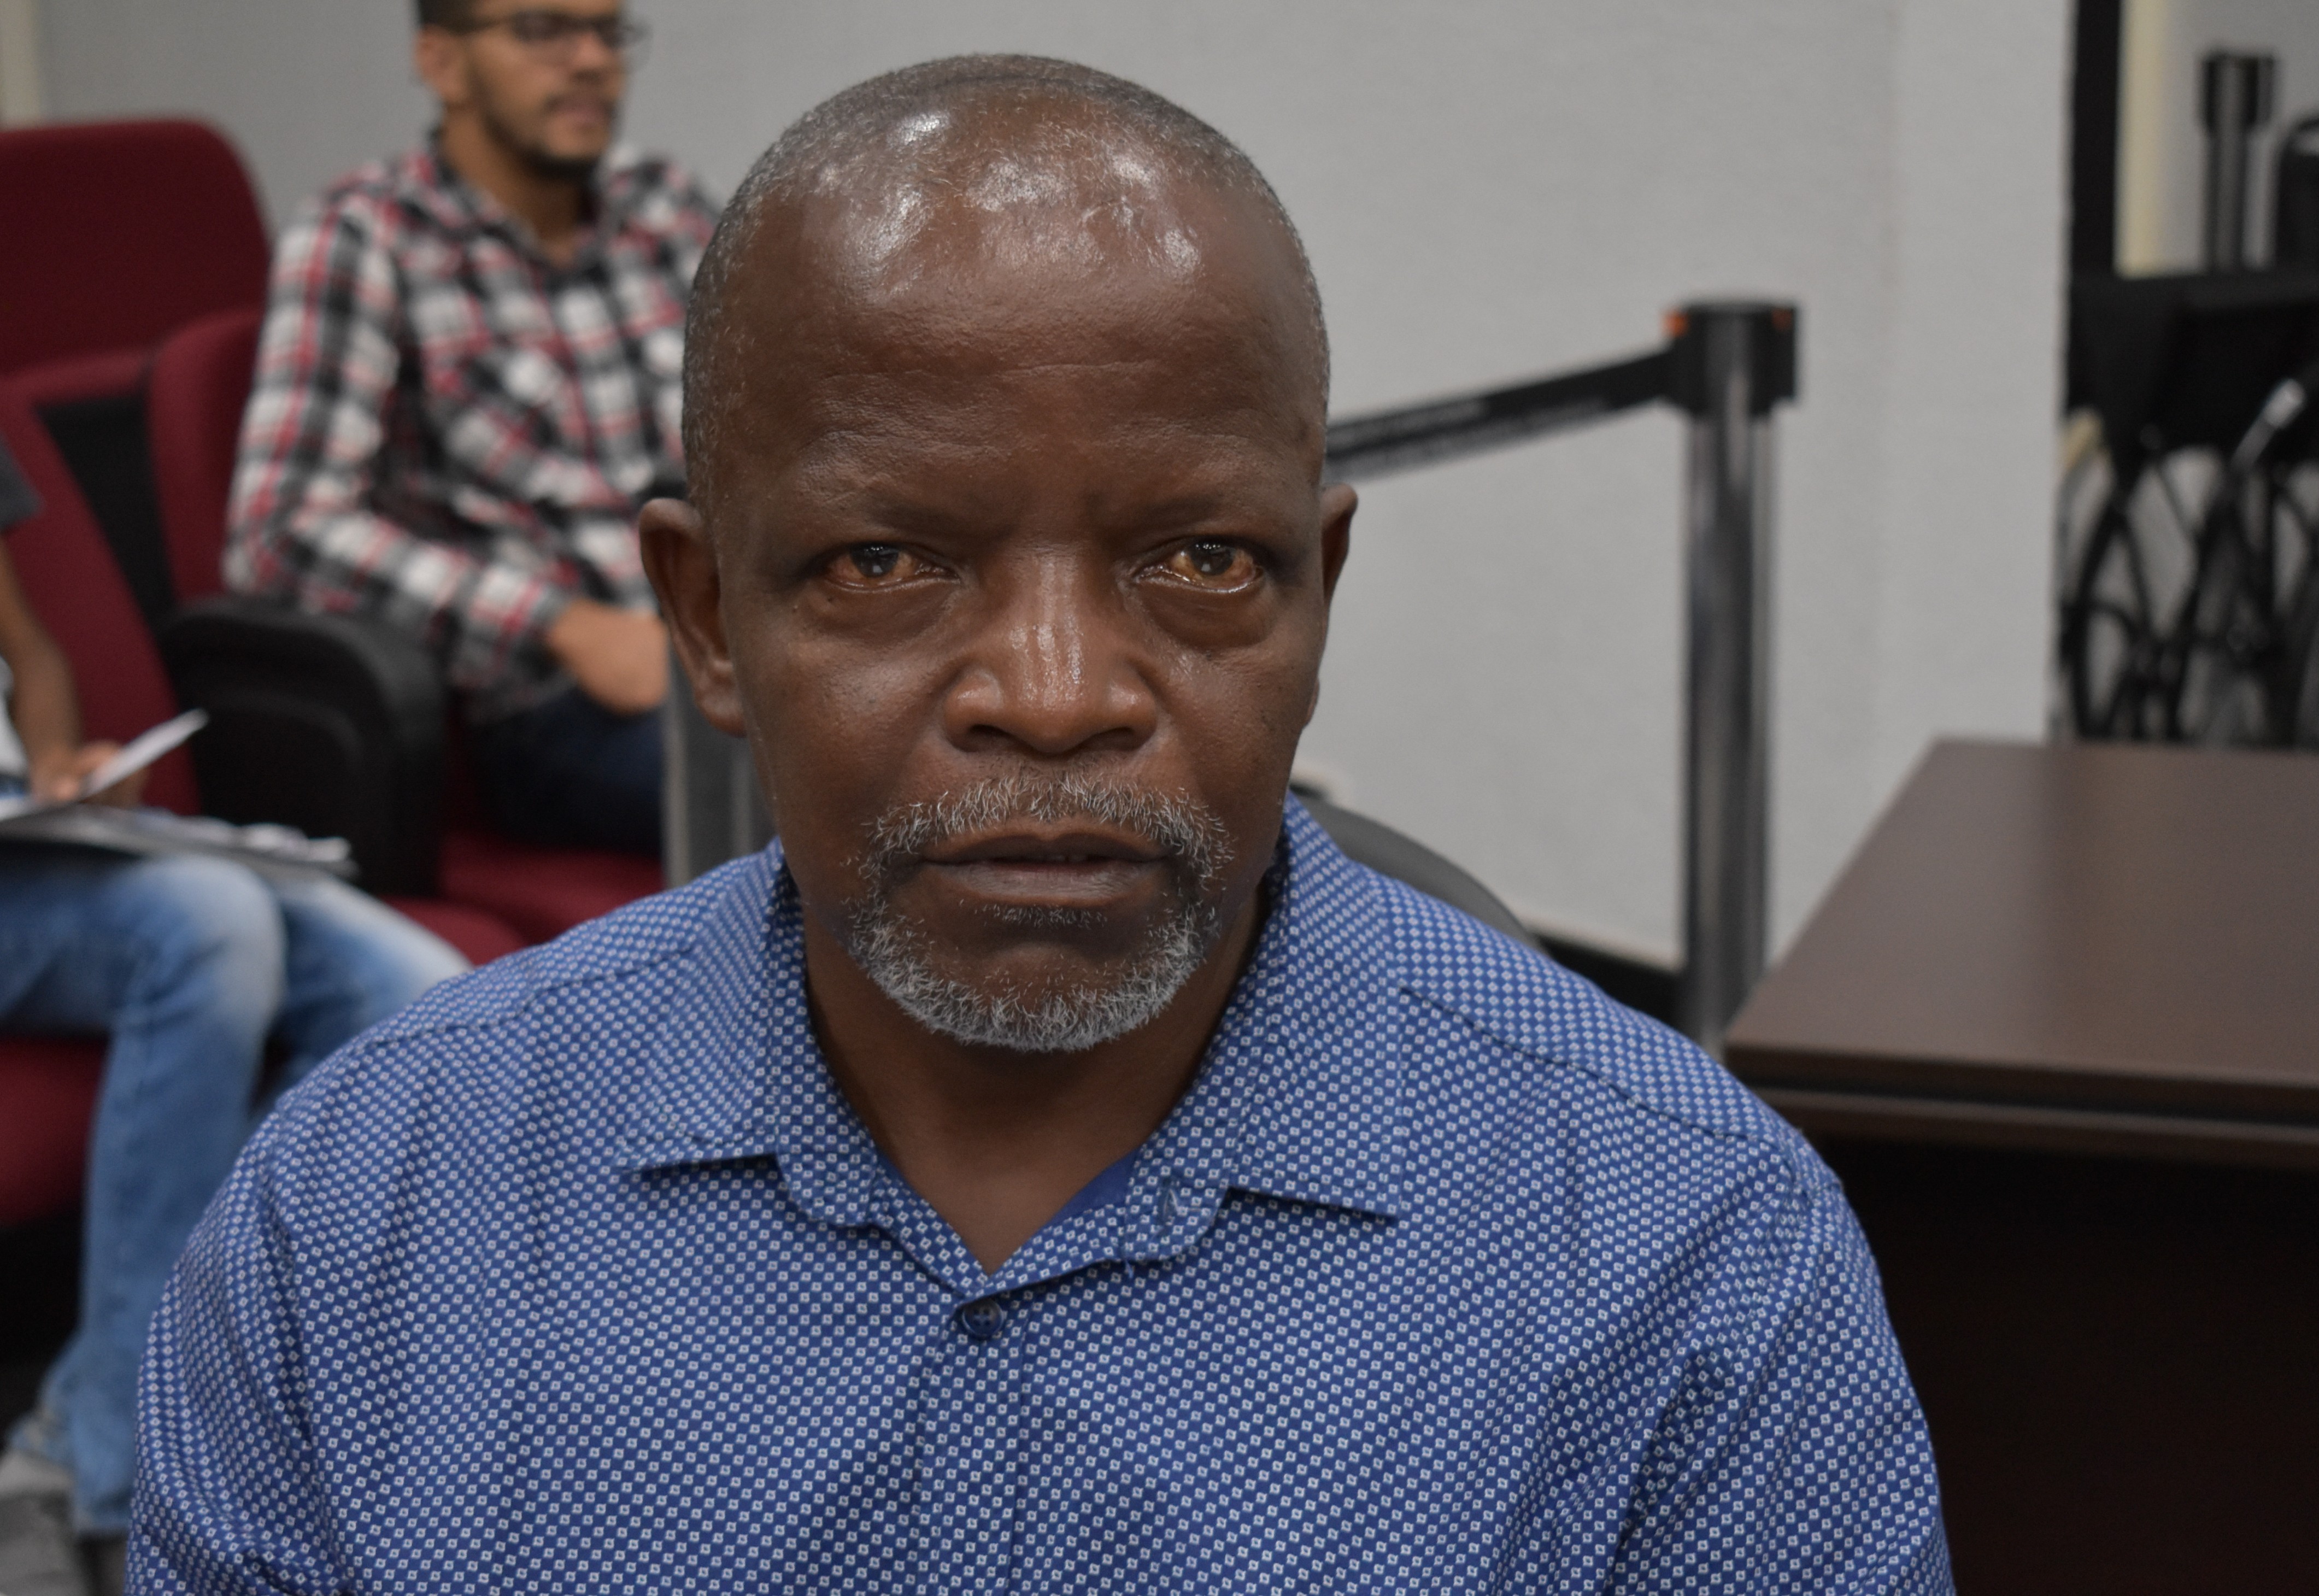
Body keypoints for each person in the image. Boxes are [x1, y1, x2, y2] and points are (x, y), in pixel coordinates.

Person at [135, 57, 1951, 1593]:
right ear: (705, 618)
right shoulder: (363, 1218)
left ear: (1317, 596)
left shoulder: (1687, 1256)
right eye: (887, 563)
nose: (1059, 692)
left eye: (1201, 560)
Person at [0, 438, 467, 1596]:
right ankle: (127, 1483)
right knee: (207, 928)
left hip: (33, 833)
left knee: (416, 988)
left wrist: (61, 763)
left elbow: (29, 652)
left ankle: (95, 1426)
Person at [224, 0, 717, 856]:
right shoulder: (369, 233)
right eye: (544, 31)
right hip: (558, 705)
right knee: (826, 805)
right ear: (443, 63)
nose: (590, 60)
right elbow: (282, 531)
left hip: (730, 645)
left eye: (607, 31)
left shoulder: (664, 205)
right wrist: (565, 626)